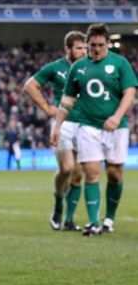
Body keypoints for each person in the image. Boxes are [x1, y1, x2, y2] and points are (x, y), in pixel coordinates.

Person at [51, 23, 137, 236]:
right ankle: (93, 222)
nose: (96, 49)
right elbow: (67, 100)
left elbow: (129, 93)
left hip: (116, 128)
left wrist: (117, 117)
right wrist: (58, 126)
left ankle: (109, 219)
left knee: (115, 175)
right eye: (92, 45)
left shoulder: (120, 63)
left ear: (108, 43)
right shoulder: (78, 68)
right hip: (88, 127)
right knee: (91, 172)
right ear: (87, 44)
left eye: (100, 45)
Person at [23, 31, 87, 231]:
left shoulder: (92, 68)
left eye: (86, 48)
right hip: (64, 124)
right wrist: (47, 108)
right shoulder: (55, 68)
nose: (84, 52)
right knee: (66, 168)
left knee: (78, 175)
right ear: (68, 49)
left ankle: (68, 220)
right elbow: (30, 86)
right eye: (79, 48)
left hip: (85, 124)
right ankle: (58, 205)